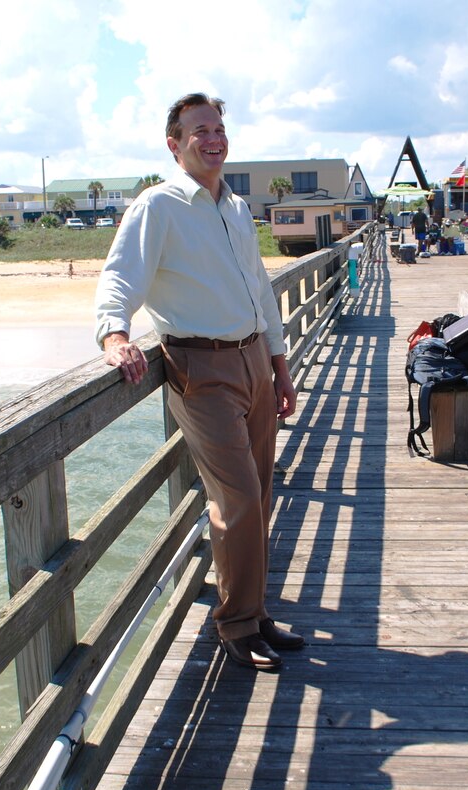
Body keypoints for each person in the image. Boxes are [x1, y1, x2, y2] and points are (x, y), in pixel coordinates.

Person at [95, 92, 304, 673]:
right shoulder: (157, 207)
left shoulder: (236, 208)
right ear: (174, 145)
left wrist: (280, 363)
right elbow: (119, 278)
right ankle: (235, 626)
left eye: (218, 128)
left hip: (253, 361)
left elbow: (261, 291)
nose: (212, 139)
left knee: (259, 494)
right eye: (198, 131)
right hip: (199, 367)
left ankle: (255, 612)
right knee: (235, 497)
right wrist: (115, 336)